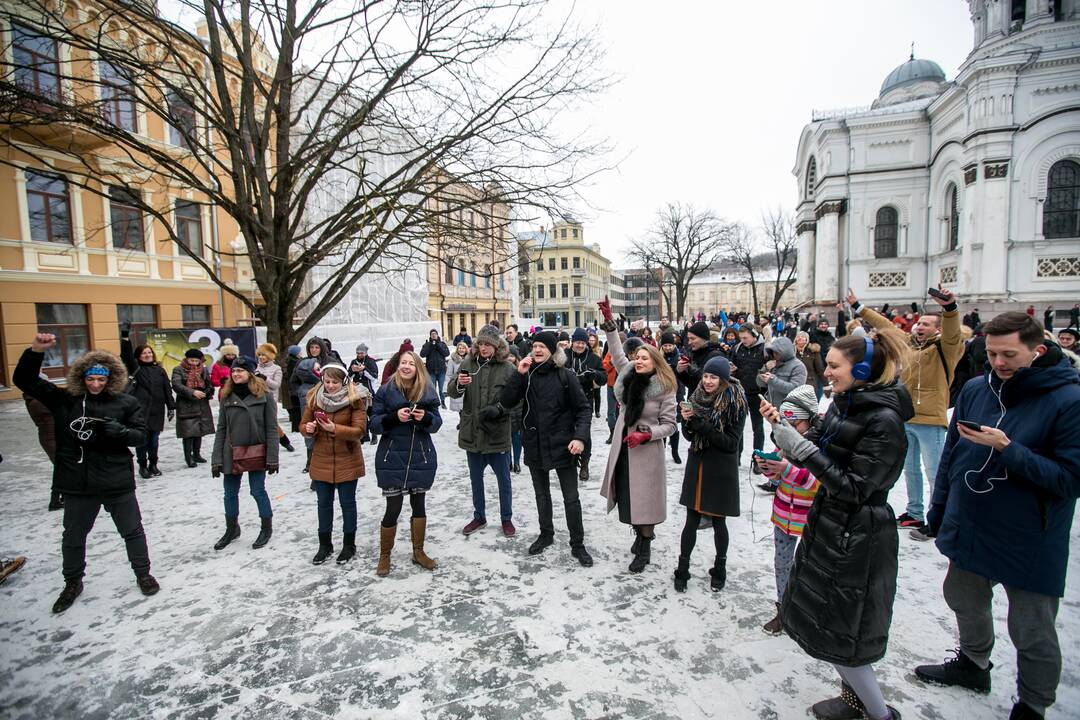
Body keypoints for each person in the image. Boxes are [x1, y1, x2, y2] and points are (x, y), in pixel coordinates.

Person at [914, 311, 1080, 720]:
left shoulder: (1068, 399)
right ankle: (973, 664)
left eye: (1009, 354)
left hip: (1031, 533)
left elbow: (1070, 480)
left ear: (1038, 350)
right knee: (962, 597)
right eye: (992, 354)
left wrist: (1009, 449)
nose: (999, 363)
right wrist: (939, 509)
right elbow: (952, 454)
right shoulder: (976, 388)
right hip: (972, 521)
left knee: (1031, 628)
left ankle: (1033, 703)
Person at [762, 328, 913, 720]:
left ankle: (880, 714)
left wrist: (805, 451)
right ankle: (852, 700)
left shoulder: (884, 420)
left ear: (861, 368)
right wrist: (786, 433)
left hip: (857, 535)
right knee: (832, 624)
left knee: (846, 632)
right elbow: (821, 449)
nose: (825, 372)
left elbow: (854, 487)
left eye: (833, 366)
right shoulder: (846, 405)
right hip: (831, 526)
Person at [14, 334, 160, 614]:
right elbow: (25, 380)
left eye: (101, 380)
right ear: (82, 378)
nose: (95, 385)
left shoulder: (125, 403)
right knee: (73, 536)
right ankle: (72, 582)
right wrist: (35, 351)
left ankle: (143, 573)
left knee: (132, 530)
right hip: (77, 480)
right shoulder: (64, 400)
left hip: (116, 479)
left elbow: (140, 436)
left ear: (110, 380)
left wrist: (119, 432)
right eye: (90, 380)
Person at [847, 286, 964, 537]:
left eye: (926, 324)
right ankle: (914, 512)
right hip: (906, 416)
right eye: (918, 323)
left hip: (931, 419)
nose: (920, 327)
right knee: (909, 469)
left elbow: (954, 333)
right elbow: (886, 326)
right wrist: (859, 307)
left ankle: (939, 517)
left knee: (935, 471)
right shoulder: (909, 345)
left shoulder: (946, 348)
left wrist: (950, 309)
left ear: (937, 329)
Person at [500, 329, 594, 566]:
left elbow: (583, 409)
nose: (538, 349)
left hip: (564, 445)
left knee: (571, 497)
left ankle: (578, 544)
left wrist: (580, 438)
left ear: (553, 351)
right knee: (542, 495)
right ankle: (546, 534)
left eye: (543, 346)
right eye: (535, 346)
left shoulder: (566, 375)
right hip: (535, 444)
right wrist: (518, 375)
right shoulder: (526, 374)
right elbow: (507, 401)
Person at [599, 320, 677, 573]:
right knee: (629, 498)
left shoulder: (664, 388)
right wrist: (611, 327)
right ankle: (639, 535)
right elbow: (618, 353)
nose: (639, 361)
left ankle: (645, 548)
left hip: (646, 453)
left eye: (645, 358)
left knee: (646, 503)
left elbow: (670, 425)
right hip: (624, 449)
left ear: (655, 361)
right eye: (638, 357)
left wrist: (647, 435)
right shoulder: (630, 373)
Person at [674, 356, 747, 592]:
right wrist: (687, 423)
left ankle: (720, 568)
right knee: (691, 520)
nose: (707, 381)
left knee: (718, 521)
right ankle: (682, 569)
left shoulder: (735, 402)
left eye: (713, 377)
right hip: (697, 462)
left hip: (720, 468)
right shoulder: (696, 397)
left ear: (724, 379)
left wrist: (699, 424)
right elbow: (691, 436)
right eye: (705, 376)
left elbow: (731, 443)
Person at [369, 351, 442, 576]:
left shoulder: (427, 391)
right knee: (393, 508)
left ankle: (418, 551)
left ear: (418, 367)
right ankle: (385, 555)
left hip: (420, 456)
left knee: (418, 506)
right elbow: (373, 424)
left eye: (411, 363)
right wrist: (393, 418)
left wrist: (426, 418)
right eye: (403, 363)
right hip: (392, 457)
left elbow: (437, 423)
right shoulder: (386, 391)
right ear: (397, 366)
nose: (407, 366)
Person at [756, 385, 821, 635]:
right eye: (788, 423)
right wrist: (769, 468)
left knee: (811, 567)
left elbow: (817, 481)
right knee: (782, 564)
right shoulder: (783, 442)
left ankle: (809, 611)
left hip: (810, 519)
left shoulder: (819, 446)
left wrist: (787, 469)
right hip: (783, 514)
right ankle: (784, 608)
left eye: (798, 424)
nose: (792, 430)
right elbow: (776, 480)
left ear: (810, 419)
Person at [447, 325, 517, 537]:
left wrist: (499, 409)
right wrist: (459, 383)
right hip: (473, 432)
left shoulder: (507, 368)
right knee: (475, 479)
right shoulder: (468, 363)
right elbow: (452, 391)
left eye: (488, 344)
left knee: (503, 480)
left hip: (497, 433)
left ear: (497, 346)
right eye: (481, 344)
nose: (484, 348)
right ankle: (479, 516)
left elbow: (516, 399)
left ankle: (506, 518)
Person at [301, 362, 369, 565]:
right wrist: (309, 428)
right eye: (327, 381)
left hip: (347, 459)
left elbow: (359, 431)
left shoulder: (354, 399)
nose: (330, 386)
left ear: (344, 382)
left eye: (335, 382)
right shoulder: (315, 398)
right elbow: (302, 425)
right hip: (321, 459)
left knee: (347, 504)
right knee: (323, 504)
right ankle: (325, 544)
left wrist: (334, 428)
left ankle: (349, 544)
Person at [210, 356, 279, 551]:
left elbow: (272, 429)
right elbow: (221, 429)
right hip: (231, 453)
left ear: (250, 372)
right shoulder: (227, 396)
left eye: (240, 370)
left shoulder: (264, 395)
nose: (236, 374)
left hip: (257, 452)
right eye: (233, 371)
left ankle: (266, 528)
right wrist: (216, 460)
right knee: (229, 494)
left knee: (257, 491)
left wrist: (273, 458)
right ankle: (232, 528)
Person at [120, 330, 175, 479]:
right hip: (140, 412)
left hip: (157, 412)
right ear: (138, 356)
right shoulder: (136, 369)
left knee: (154, 441)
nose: (147, 355)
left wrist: (171, 407)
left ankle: (153, 464)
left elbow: (167, 389)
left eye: (149, 352)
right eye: (144, 353)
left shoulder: (159, 370)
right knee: (142, 441)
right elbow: (126, 356)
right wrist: (125, 338)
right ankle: (142, 466)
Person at [756, 336, 808, 492]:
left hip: (791, 415)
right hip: (774, 412)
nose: (775, 356)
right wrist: (765, 370)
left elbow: (795, 387)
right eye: (772, 353)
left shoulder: (798, 366)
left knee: (787, 447)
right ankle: (776, 480)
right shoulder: (773, 365)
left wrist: (772, 379)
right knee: (777, 444)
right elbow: (759, 383)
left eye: (777, 353)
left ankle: (785, 478)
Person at [567, 328, 606, 482]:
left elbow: (603, 378)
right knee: (568, 431)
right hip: (565, 401)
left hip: (585, 401)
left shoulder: (594, 358)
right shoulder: (564, 356)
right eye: (577, 342)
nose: (580, 345)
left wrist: (594, 374)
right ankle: (571, 459)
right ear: (572, 342)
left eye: (583, 343)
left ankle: (585, 463)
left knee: (584, 433)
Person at [291, 337, 333, 474]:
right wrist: (301, 392)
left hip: (327, 399)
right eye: (311, 347)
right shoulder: (302, 363)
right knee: (309, 429)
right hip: (308, 400)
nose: (314, 350)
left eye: (317, 347)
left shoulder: (330, 361)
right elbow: (293, 381)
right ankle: (310, 461)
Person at [730, 324, 767, 466]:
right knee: (738, 427)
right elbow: (731, 364)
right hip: (740, 393)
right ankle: (736, 457)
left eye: (745, 337)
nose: (743, 340)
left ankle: (757, 461)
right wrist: (732, 369)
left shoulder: (764, 349)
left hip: (758, 394)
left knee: (757, 428)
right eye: (741, 338)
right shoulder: (738, 348)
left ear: (754, 335)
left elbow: (771, 367)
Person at [172, 348, 215, 468]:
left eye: (196, 360)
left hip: (201, 403)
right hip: (187, 404)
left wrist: (207, 391)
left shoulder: (204, 369)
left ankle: (197, 454)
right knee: (188, 432)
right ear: (186, 359)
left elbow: (209, 383)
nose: (194, 363)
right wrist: (192, 392)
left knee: (199, 430)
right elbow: (177, 385)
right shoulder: (178, 369)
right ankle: (188, 457)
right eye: (192, 360)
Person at [25, 392, 62, 509]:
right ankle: (55, 500)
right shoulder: (38, 402)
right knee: (62, 469)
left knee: (61, 469)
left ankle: (60, 498)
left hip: (52, 437)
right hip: (51, 439)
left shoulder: (34, 400)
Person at [256, 343, 295, 453]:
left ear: (270, 356)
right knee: (259, 424)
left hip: (270, 400)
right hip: (257, 399)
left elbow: (276, 385)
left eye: (264, 355)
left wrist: (264, 378)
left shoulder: (276, 368)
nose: (261, 357)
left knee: (272, 424)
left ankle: (285, 442)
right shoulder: (256, 367)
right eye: (260, 355)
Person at [659, 331, 686, 464]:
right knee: (661, 422)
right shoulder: (659, 357)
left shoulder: (680, 356)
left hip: (677, 392)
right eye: (665, 345)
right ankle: (661, 449)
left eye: (670, 345)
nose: (668, 348)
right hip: (661, 393)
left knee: (674, 423)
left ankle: (675, 451)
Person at [420, 329, 450, 408]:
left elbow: (446, 353)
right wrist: (429, 345)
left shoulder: (442, 343)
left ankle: (443, 402)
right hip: (431, 371)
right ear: (430, 335)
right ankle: (434, 403)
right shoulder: (427, 344)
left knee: (441, 389)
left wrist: (437, 345)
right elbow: (422, 354)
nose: (433, 335)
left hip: (441, 371)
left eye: (435, 334)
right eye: (432, 334)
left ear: (437, 335)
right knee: (432, 389)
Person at [795, 331, 826, 400]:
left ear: (807, 340)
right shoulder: (791, 352)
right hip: (795, 384)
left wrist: (826, 385)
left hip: (810, 383)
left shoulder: (812, 352)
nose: (800, 338)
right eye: (798, 336)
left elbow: (820, 369)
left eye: (803, 336)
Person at [284, 345, 303, 432]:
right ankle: (296, 427)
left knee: (295, 409)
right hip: (295, 389)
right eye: (299, 352)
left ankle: (296, 427)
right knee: (297, 409)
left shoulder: (289, 361)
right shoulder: (294, 362)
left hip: (291, 389)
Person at [586, 331, 604, 417]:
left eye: (593, 340)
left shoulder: (599, 350)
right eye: (590, 340)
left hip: (596, 374)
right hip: (588, 374)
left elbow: (601, 363)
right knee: (589, 393)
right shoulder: (585, 350)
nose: (591, 342)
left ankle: (597, 410)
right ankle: (590, 409)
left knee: (597, 394)